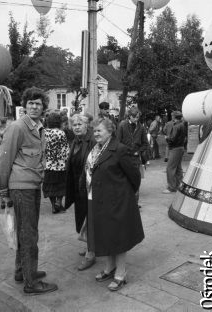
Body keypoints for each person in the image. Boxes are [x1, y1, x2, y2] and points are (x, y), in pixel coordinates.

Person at [0, 87, 58, 295]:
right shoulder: (17, 127)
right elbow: (4, 160)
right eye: (30, 103)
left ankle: (22, 271)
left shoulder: (38, 126)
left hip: (31, 186)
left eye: (38, 103)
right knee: (29, 234)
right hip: (21, 188)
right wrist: (3, 190)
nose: (34, 106)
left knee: (25, 230)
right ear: (24, 105)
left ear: (43, 108)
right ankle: (31, 283)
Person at [85, 118, 144, 291]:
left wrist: (124, 194)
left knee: (118, 238)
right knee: (106, 235)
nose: (95, 133)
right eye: (94, 130)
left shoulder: (120, 150)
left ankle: (121, 273)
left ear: (110, 132)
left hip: (117, 201)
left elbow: (135, 176)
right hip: (98, 200)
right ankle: (109, 268)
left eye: (99, 130)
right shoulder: (95, 149)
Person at [64, 114, 96, 271]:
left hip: (89, 186)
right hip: (78, 186)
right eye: (74, 124)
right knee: (83, 217)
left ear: (87, 125)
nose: (76, 127)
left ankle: (91, 254)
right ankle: (90, 244)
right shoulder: (75, 141)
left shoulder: (92, 141)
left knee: (90, 218)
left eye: (79, 124)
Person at [116, 106, 148, 206]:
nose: (136, 119)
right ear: (129, 116)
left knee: (135, 180)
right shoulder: (122, 125)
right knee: (124, 180)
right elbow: (117, 142)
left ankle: (134, 203)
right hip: (124, 157)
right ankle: (124, 202)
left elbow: (145, 143)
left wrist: (138, 151)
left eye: (138, 117)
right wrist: (123, 151)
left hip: (135, 159)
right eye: (134, 117)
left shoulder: (141, 127)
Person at [43, 112, 70, 214]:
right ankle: (59, 201)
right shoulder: (61, 133)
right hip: (60, 164)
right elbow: (65, 149)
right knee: (61, 185)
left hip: (48, 164)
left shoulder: (44, 132)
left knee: (50, 186)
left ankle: (53, 206)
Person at [163, 111, 186, 194]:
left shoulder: (176, 126)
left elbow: (172, 138)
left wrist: (167, 138)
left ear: (174, 117)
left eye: (172, 116)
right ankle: (180, 185)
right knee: (178, 168)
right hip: (180, 148)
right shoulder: (182, 125)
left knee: (170, 168)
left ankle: (171, 187)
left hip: (175, 148)